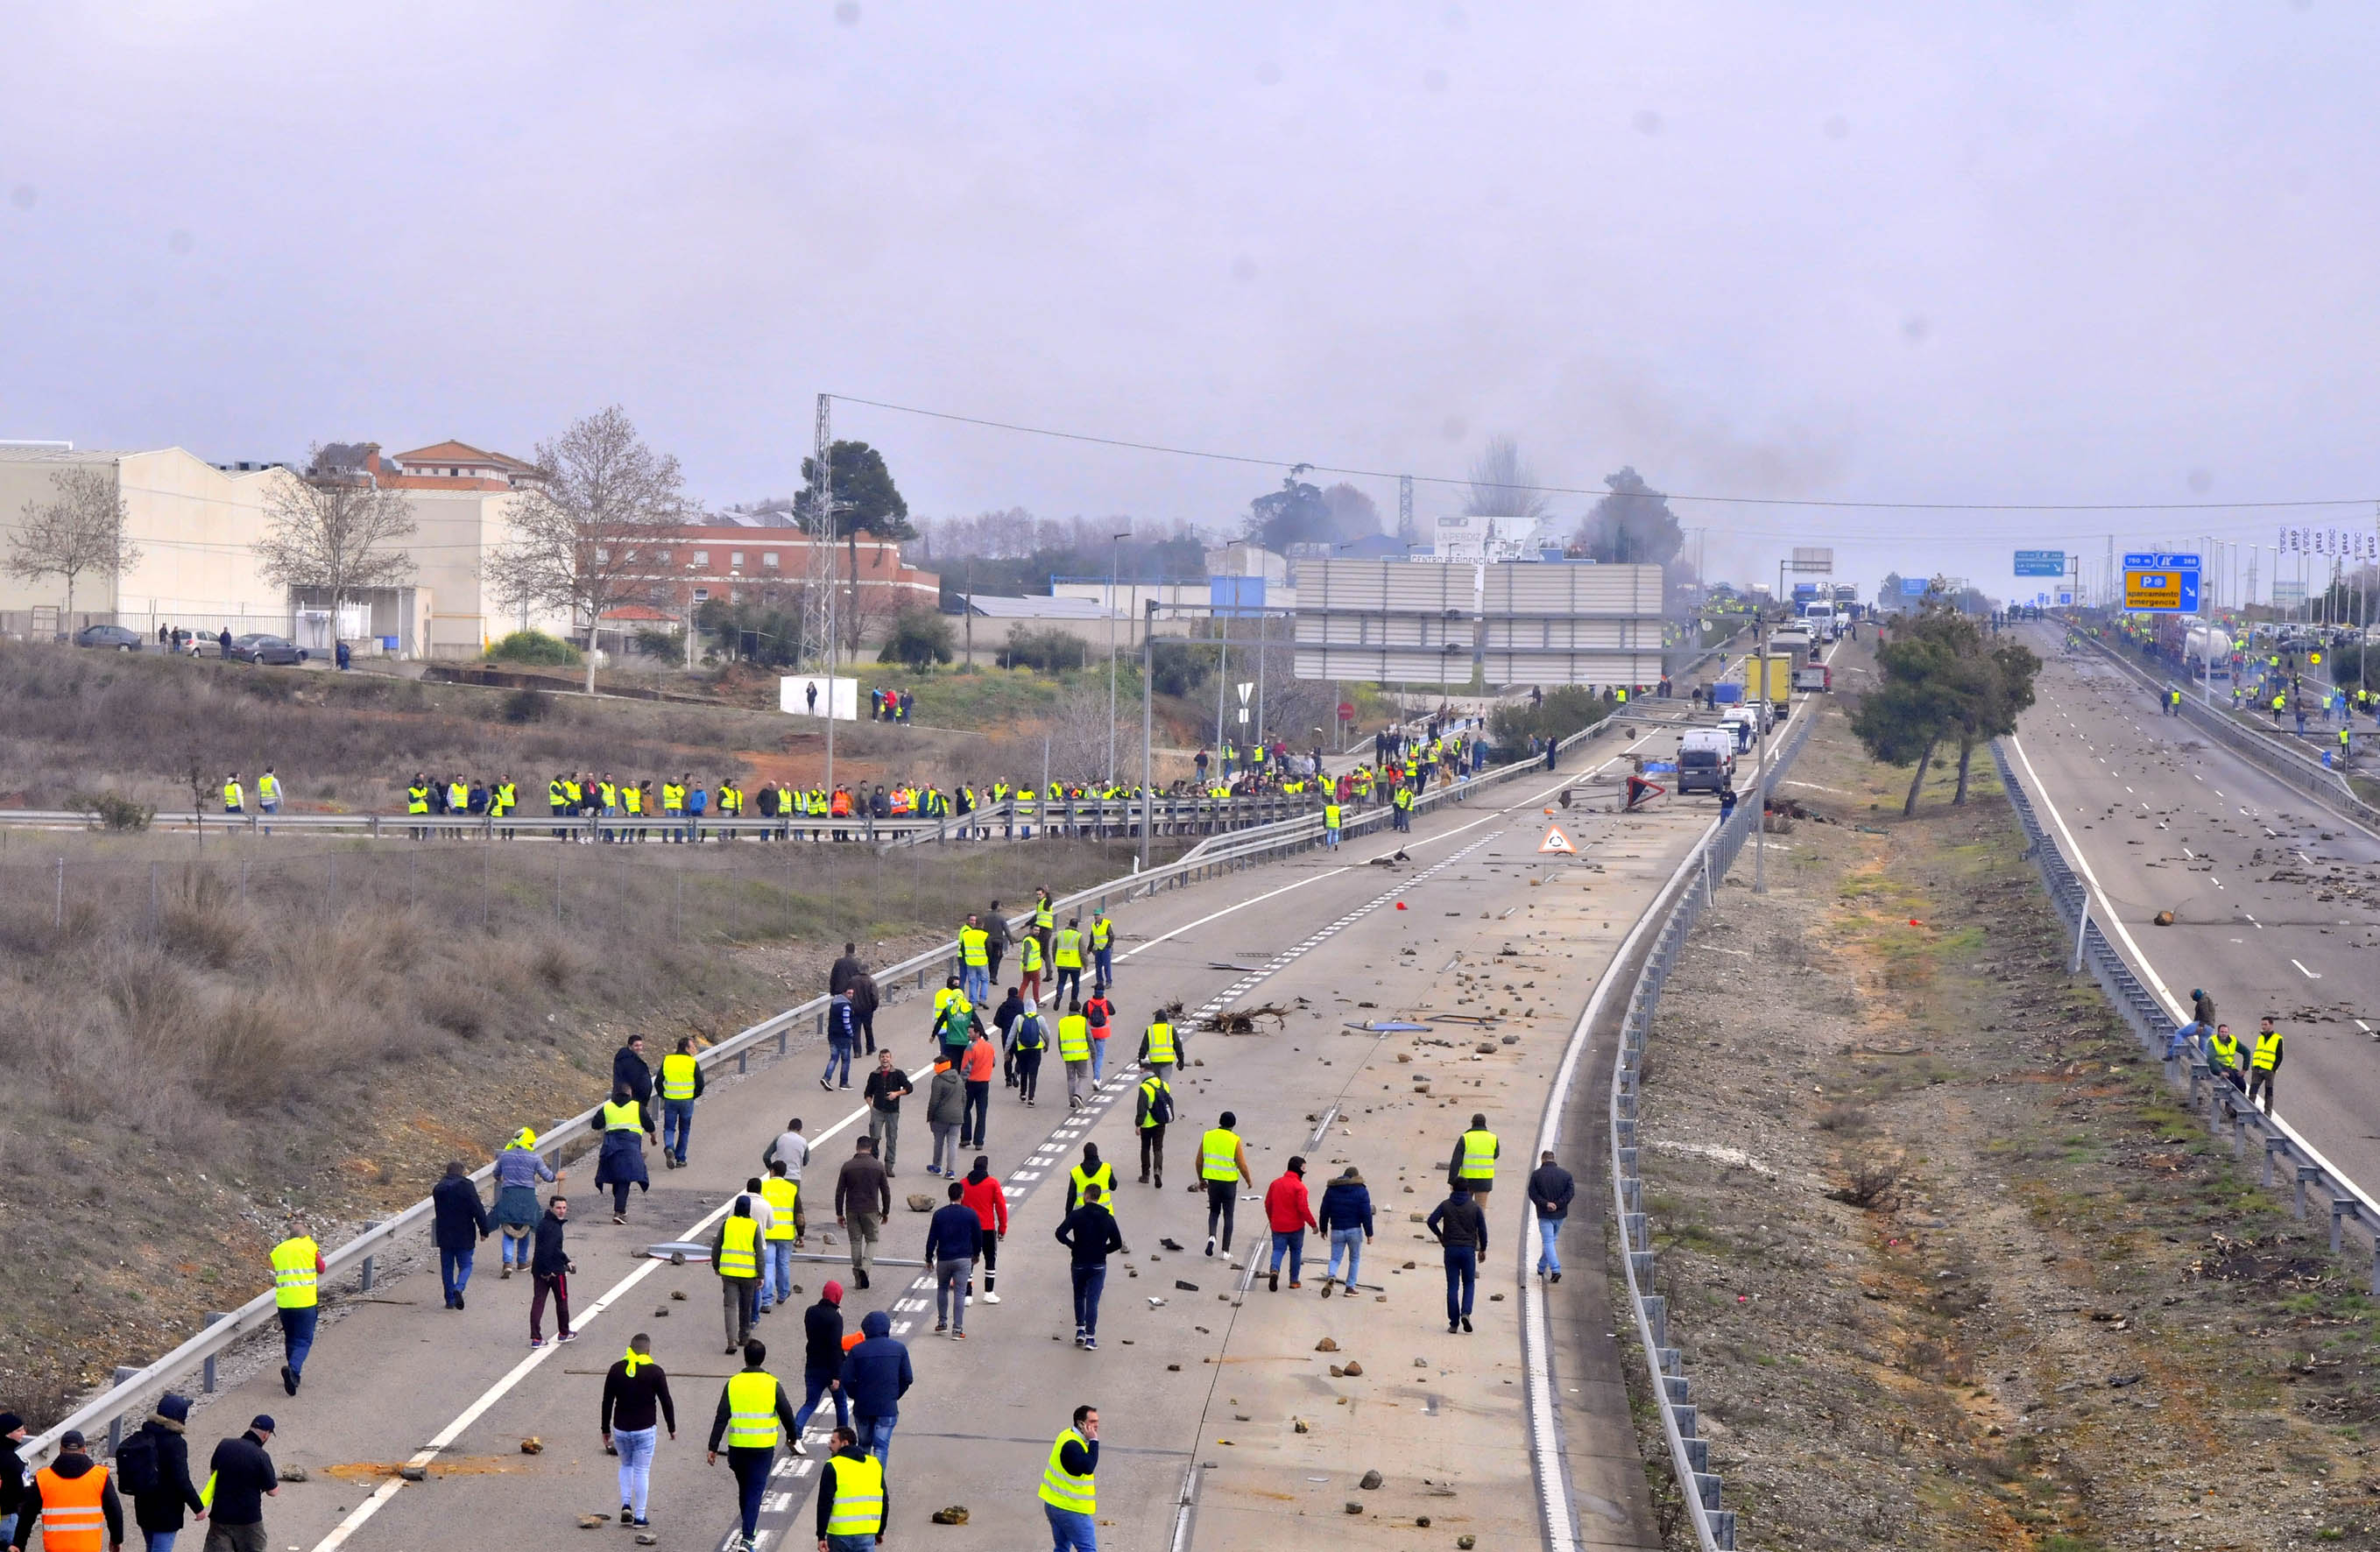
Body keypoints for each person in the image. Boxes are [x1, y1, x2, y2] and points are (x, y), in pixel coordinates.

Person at [708, 1340, 800, 1552]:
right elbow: (786, 1412)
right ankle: (748, 1538)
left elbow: (721, 1417)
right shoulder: (772, 1384)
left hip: (738, 1447)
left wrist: (713, 1446)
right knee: (755, 1491)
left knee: (745, 1489)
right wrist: (793, 1436)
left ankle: (748, 1530)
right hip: (762, 1447)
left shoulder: (733, 1383)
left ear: (745, 1358)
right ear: (763, 1358)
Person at [601, 1335, 676, 1532]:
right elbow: (666, 1401)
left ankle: (626, 1504)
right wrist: (671, 1427)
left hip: (621, 1429)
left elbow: (607, 1401)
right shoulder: (655, 1372)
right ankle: (640, 1516)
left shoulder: (616, 1369)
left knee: (626, 1465)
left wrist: (605, 1429)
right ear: (648, 1351)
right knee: (642, 1471)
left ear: (630, 1349)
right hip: (645, 1429)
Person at [124, 1393, 204, 1552]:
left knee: (151, 1547)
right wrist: (198, 1507)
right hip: (166, 1512)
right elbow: (182, 1479)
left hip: (144, 1506)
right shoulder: (176, 1443)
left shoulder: (144, 1436)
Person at [1055, 1185, 1126, 1350]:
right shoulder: (1107, 1218)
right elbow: (1117, 1243)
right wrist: (1103, 1251)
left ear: (1086, 1196)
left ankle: (1080, 1330)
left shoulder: (1076, 1215)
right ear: (1099, 1197)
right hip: (1098, 1264)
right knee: (1093, 1300)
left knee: (1079, 1295)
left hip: (1079, 1262)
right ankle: (1090, 1338)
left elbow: (1059, 1233)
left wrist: (1072, 1245)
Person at [839, 1311, 913, 1464]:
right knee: (881, 1447)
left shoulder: (857, 1350)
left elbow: (846, 1378)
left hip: (863, 1406)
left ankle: (862, 1479)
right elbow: (907, 1378)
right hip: (887, 1407)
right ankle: (876, 1481)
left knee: (864, 1445)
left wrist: (855, 1394)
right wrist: (894, 1395)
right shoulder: (899, 1349)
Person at [199, 1416, 277, 1552]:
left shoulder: (225, 1444)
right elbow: (273, 1491)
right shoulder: (261, 1456)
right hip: (248, 1519)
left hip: (220, 1516)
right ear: (266, 1435)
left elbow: (213, 1472)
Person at [792, 1283, 851, 1453]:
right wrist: (837, 1375)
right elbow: (834, 1346)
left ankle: (795, 1435)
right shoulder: (835, 1318)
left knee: (810, 1402)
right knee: (841, 1403)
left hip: (813, 1364)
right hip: (831, 1367)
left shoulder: (810, 1312)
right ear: (837, 1297)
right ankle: (843, 1439)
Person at [492, 1128, 558, 1278]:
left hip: (509, 1195)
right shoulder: (534, 1158)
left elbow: (496, 1174)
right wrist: (557, 1177)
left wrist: (503, 1180)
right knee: (525, 1227)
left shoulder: (505, 1156)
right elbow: (548, 1177)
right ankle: (522, 1262)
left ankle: (507, 1262)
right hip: (527, 1197)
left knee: (508, 1229)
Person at [267, 1220, 323, 1396]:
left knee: (290, 1338)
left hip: (285, 1304)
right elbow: (321, 1268)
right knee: (303, 1340)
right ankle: (293, 1370)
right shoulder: (309, 1246)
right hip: (305, 1303)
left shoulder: (280, 1250)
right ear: (304, 1235)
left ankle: (293, 1374)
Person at [813, 1424, 887, 1551]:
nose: (829, 1446)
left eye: (833, 1442)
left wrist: (821, 1536)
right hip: (866, 1532)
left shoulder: (833, 1465)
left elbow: (824, 1504)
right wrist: (880, 1531)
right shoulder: (874, 1464)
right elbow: (884, 1501)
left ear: (844, 1443)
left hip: (839, 1535)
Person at [431, 1160, 491, 1311]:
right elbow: (477, 1209)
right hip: (464, 1233)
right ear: (462, 1171)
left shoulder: (438, 1188)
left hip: (444, 1234)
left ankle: (450, 1300)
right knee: (466, 1265)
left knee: (447, 1268)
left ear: (447, 1171)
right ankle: (459, 1287)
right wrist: (484, 1230)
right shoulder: (466, 1186)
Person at [1427, 1183, 1487, 1334]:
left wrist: (1440, 1236)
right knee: (1469, 1283)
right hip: (1468, 1250)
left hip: (1451, 1249)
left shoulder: (1446, 1205)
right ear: (1468, 1190)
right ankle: (1466, 1313)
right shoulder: (1474, 1207)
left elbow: (1431, 1221)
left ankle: (1454, 1323)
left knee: (1452, 1286)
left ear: (1453, 1189)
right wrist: (1483, 1249)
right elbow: (1483, 1229)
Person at [1038, 1405, 1099, 1552]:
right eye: (1092, 1421)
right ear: (1081, 1423)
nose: (1096, 1425)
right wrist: (1094, 1442)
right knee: (1088, 1549)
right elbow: (1088, 1467)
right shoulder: (1072, 1445)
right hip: (1070, 1510)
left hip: (1054, 1504)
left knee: (1062, 1548)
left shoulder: (1066, 1434)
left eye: (1097, 1421)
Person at [924, 1182, 981, 1338]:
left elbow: (932, 1238)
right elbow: (977, 1237)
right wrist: (976, 1254)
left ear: (949, 1195)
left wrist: (929, 1257)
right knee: (960, 1292)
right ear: (962, 1195)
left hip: (943, 1258)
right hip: (963, 1258)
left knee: (942, 1288)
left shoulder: (939, 1214)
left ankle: (942, 1323)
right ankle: (957, 1329)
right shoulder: (970, 1214)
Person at [834, 1138, 892, 1289]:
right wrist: (886, 1211)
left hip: (852, 1209)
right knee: (872, 1240)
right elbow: (886, 1191)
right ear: (870, 1149)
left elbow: (840, 1191)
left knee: (855, 1241)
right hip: (871, 1209)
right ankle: (865, 1268)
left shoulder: (847, 1166)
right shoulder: (878, 1166)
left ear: (857, 1147)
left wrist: (839, 1213)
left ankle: (858, 1276)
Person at [713, 1195, 764, 1354]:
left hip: (728, 1273)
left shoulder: (727, 1224)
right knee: (745, 1306)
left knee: (730, 1306)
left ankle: (731, 1341)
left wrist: (716, 1265)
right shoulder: (754, 1226)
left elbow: (717, 1247)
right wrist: (761, 1274)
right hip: (748, 1274)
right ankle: (744, 1336)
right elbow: (760, 1253)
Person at [596, 1083, 652, 1224]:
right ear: (630, 1093)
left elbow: (595, 1124)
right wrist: (653, 1135)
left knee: (617, 1177)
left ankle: (620, 1208)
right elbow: (650, 1125)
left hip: (610, 1147)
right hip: (629, 1147)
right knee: (624, 1179)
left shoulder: (607, 1107)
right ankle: (619, 1211)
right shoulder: (636, 1107)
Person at [1201, 1111, 1254, 1259]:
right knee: (1228, 1215)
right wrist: (1248, 1180)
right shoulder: (1235, 1140)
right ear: (1233, 1125)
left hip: (1213, 1182)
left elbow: (1199, 1161)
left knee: (1214, 1212)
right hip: (1229, 1184)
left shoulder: (1208, 1136)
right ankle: (1225, 1251)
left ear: (1220, 1121)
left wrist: (1201, 1179)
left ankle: (1212, 1236)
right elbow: (1242, 1164)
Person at [1264, 1156, 1317, 1292]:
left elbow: (1268, 1204)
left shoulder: (1275, 1184)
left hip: (1278, 1226)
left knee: (1278, 1250)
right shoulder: (1300, 1188)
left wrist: (1272, 1220)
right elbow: (1303, 1208)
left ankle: (1274, 1270)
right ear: (1299, 1170)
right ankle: (1294, 1281)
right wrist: (1313, 1224)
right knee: (1296, 1251)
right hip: (1296, 1227)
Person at [1317, 1166, 1374, 1296]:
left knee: (1335, 1258)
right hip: (1354, 1230)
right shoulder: (1361, 1190)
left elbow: (1324, 1210)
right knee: (1354, 1259)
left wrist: (1323, 1228)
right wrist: (1369, 1233)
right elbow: (1366, 1213)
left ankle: (1332, 1276)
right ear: (1356, 1177)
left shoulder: (1332, 1190)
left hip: (1337, 1229)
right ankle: (1350, 1288)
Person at [960, 1155, 1008, 1305]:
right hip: (987, 1227)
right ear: (986, 1167)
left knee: (969, 1260)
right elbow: (1000, 1206)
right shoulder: (992, 1183)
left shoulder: (963, 1183)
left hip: (968, 1228)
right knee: (990, 1259)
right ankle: (989, 1292)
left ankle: (968, 1294)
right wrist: (1002, 1227)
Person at [531, 1196, 577, 1346]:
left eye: (564, 1208)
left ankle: (536, 1338)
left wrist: (567, 1260)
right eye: (558, 1208)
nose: (562, 1211)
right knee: (562, 1300)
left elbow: (552, 1250)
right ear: (551, 1208)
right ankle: (564, 1332)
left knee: (538, 1302)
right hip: (554, 1271)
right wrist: (548, 1270)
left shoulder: (543, 1224)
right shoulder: (554, 1229)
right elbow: (549, 1250)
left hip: (538, 1269)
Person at [760, 1161, 803, 1315]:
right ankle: (783, 1293)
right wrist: (801, 1233)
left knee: (769, 1265)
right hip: (785, 1235)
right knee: (783, 1264)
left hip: (767, 1233)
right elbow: (798, 1214)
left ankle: (766, 1301)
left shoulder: (763, 1187)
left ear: (772, 1171)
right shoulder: (791, 1189)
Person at [1529, 1150, 1575, 1283]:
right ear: (1554, 1159)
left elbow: (1533, 1193)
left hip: (1544, 1214)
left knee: (1548, 1242)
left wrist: (1546, 1204)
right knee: (1551, 1241)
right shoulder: (1566, 1175)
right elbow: (1570, 1193)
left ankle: (1555, 1270)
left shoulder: (1536, 1175)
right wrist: (1558, 1204)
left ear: (1542, 1160)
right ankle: (1541, 1267)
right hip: (1560, 1215)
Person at [862, 1051, 912, 1175]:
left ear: (891, 1059)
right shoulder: (874, 1075)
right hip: (878, 1110)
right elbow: (867, 1093)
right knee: (874, 1138)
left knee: (891, 1138)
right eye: (883, 1057)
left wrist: (896, 1093)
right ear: (879, 1059)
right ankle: (873, 1163)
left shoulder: (898, 1074)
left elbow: (909, 1088)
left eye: (887, 1057)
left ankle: (889, 1166)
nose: (885, 1059)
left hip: (892, 1111)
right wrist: (871, 1107)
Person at [659, 1036, 704, 1168]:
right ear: (686, 1048)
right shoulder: (692, 1062)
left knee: (669, 1128)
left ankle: (669, 1147)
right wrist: (694, 1096)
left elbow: (658, 1081)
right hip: (686, 1101)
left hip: (670, 1100)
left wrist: (663, 1095)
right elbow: (700, 1083)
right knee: (684, 1130)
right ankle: (680, 1159)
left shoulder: (668, 1060)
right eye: (693, 1046)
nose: (694, 1049)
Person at [924, 1058, 965, 1177]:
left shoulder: (938, 1080)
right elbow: (964, 1097)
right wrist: (961, 1112)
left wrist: (930, 1116)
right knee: (952, 1143)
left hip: (941, 1116)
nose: (935, 1067)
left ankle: (937, 1166)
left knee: (939, 1142)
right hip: (957, 1116)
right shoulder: (958, 1079)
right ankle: (951, 1171)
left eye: (936, 1064)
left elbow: (934, 1101)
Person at [1134, 1069, 1174, 1188]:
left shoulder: (1144, 1088)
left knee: (1145, 1148)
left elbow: (1141, 1108)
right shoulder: (1164, 1085)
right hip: (1160, 1122)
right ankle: (1158, 1171)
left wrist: (1138, 1124)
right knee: (1158, 1148)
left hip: (1147, 1124)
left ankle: (1145, 1175)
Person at [959, 1025, 996, 1150]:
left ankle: (965, 1138)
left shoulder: (970, 1047)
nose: (968, 1035)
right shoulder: (989, 1047)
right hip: (984, 1083)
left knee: (965, 1110)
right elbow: (993, 1063)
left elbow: (965, 1068)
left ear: (977, 1033)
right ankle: (979, 1141)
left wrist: (961, 1082)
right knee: (981, 1113)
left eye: (970, 1032)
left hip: (971, 1083)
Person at [1449, 1112, 1499, 1201]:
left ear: (1472, 1123)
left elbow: (1456, 1161)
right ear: (1485, 1123)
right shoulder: (1493, 1138)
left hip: (1466, 1181)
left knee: (1466, 1208)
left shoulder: (1465, 1138)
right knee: (1480, 1210)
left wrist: (1452, 1181)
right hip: (1484, 1180)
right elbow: (1495, 1155)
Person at [1011, 998, 1049, 1106]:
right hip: (1036, 1049)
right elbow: (1047, 1034)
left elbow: (1012, 1035)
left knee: (1023, 1071)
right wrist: (1047, 1045)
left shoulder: (1019, 1018)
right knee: (1033, 1074)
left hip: (1022, 1048)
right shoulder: (1040, 1018)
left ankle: (1023, 1093)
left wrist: (1007, 1050)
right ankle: (1031, 1098)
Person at [821, 989, 858, 1090]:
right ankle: (844, 1083)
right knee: (846, 1060)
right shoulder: (846, 1006)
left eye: (852, 993)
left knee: (834, 1058)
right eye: (849, 993)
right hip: (844, 1037)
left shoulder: (834, 1004)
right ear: (844, 993)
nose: (851, 995)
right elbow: (846, 1023)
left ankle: (826, 1077)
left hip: (832, 1035)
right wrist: (851, 1034)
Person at [1057, 1005, 1093, 1109]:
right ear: (1079, 1010)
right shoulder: (1082, 1020)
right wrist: (1093, 1053)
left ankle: (1072, 1102)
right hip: (1081, 1054)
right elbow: (1089, 1038)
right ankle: (1078, 1094)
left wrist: (1062, 1054)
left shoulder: (1062, 1022)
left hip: (1068, 1055)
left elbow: (1059, 1041)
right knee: (1083, 1076)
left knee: (1071, 1078)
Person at [2249, 1014, 2285, 1115]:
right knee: (2253, 1091)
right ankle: (2249, 1110)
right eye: (2262, 1024)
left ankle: (2267, 1113)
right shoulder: (2260, 1038)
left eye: (2265, 1024)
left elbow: (2279, 1056)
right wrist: (2254, 1066)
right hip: (2257, 1069)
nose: (2263, 1026)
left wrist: (2273, 1069)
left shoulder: (2278, 1038)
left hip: (2269, 1070)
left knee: (2268, 1092)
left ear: (2271, 1025)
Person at [612, 1033, 656, 1116]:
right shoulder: (626, 1060)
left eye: (640, 1045)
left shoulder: (632, 1059)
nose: (639, 1048)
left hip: (636, 1101)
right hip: (631, 1100)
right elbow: (632, 1080)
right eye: (636, 1046)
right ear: (629, 1046)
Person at [0, 1412, 26, 1550]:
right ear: (7, 1434)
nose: (24, 1433)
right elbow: (19, 1492)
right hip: (7, 1517)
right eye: (19, 1430)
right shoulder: (11, 1460)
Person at [1138, 1008, 1181, 1084]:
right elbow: (1178, 1045)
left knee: (1154, 1084)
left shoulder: (1150, 1030)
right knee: (1164, 1085)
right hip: (1167, 1063)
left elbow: (1143, 1048)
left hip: (1154, 1063)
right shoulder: (1171, 1029)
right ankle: (1164, 1095)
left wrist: (1141, 1062)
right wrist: (1181, 1060)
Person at [1051, 917, 1085, 1009]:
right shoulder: (1078, 936)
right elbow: (1082, 951)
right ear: (1076, 926)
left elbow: (1054, 947)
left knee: (1061, 982)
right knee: (1076, 984)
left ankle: (1058, 996)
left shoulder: (1060, 934)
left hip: (1062, 964)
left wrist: (1055, 958)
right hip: (1075, 965)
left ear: (1069, 924)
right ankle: (1073, 1002)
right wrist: (1085, 964)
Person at [763, 1118, 809, 1183]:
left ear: (788, 1128)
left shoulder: (779, 1138)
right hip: (794, 1178)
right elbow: (805, 1162)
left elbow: (766, 1157)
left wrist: (772, 1169)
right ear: (800, 1130)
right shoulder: (804, 1142)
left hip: (778, 1177)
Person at [851, 971, 880, 1056]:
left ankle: (857, 1051)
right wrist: (874, 1007)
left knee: (856, 1030)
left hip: (855, 1009)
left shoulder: (853, 980)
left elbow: (849, 994)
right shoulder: (871, 981)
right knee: (868, 1029)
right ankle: (870, 1048)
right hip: (867, 1009)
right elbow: (875, 997)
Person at [2207, 1023, 2244, 1090]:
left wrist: (2244, 1069)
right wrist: (2219, 1072)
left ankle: (2240, 1100)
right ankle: (2229, 1100)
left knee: (2242, 1084)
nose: (2224, 1034)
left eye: (2226, 1032)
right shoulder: (2213, 1041)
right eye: (2222, 1032)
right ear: (2218, 1032)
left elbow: (2246, 1052)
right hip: (2219, 1066)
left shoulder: (2232, 1040)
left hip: (2231, 1067)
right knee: (2231, 1079)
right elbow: (2211, 1059)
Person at [1088, 909, 1114, 987]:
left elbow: (1111, 936)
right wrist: (1089, 949)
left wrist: (1108, 945)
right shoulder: (1093, 925)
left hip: (1105, 948)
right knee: (1098, 967)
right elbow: (1092, 938)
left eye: (1097, 915)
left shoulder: (1106, 923)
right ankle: (1099, 982)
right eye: (1095, 915)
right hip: (1098, 949)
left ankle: (1108, 982)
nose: (1096, 916)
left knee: (1107, 966)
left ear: (1101, 915)